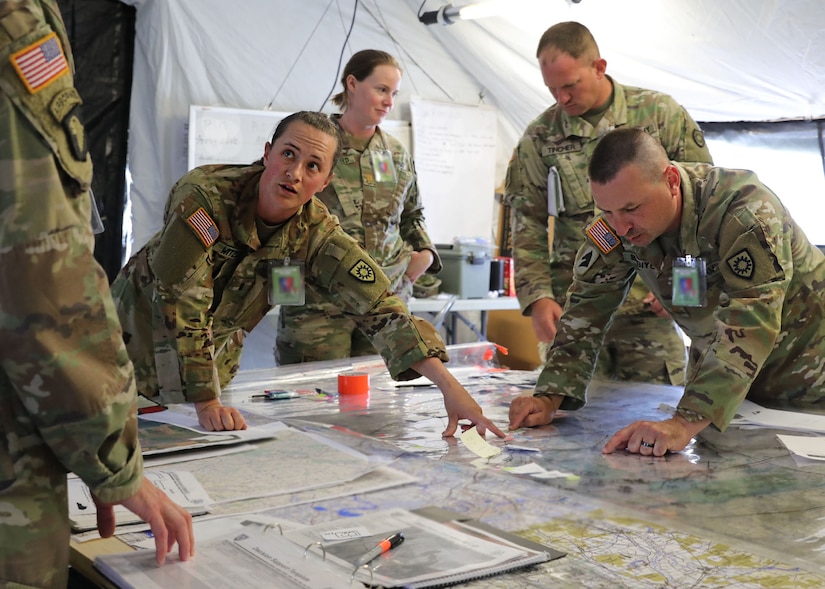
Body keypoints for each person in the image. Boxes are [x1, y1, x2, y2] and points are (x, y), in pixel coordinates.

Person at [111, 111, 505, 438]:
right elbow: (181, 299)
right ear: (267, 154)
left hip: (209, 367)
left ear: (325, 181)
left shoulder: (316, 233)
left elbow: (381, 308)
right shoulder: (205, 194)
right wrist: (205, 399)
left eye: (312, 166)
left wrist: (449, 388)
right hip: (130, 346)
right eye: (288, 154)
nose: (295, 173)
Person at [0, 1, 194, 586]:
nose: (300, 178)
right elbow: (40, 268)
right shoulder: (209, 201)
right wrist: (112, 461)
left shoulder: (312, 226)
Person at [509, 127, 825, 456]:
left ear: (671, 180)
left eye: (632, 209)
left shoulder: (743, 212)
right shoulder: (618, 223)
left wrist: (685, 421)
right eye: (607, 211)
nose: (621, 227)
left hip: (809, 378)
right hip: (729, 393)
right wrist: (549, 395)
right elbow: (587, 306)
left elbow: (751, 321)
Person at [505, 21, 713, 383]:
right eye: (552, 88)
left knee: (657, 415)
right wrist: (537, 297)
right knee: (566, 415)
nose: (562, 98)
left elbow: (700, 203)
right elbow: (527, 222)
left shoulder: (659, 115)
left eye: (570, 85)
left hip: (651, 304)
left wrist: (687, 284)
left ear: (599, 67)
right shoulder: (540, 136)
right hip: (577, 305)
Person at [277, 50, 441, 364]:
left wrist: (425, 254)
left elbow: (412, 214)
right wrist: (285, 296)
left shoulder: (394, 153)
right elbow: (279, 214)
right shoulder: (313, 144)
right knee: (312, 403)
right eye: (381, 90)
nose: (389, 101)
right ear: (352, 84)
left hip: (384, 303)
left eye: (393, 93)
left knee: (380, 405)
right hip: (318, 308)